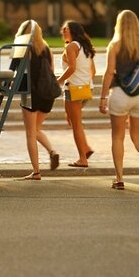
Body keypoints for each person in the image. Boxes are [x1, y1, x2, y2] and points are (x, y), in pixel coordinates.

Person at [98, 10, 139, 190]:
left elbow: (109, 72)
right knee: (138, 136)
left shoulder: (115, 45)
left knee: (118, 136)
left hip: (120, 94)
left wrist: (102, 97)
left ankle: (119, 179)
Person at [15, 20, 60, 180]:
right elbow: (52, 71)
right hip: (47, 95)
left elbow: (15, 69)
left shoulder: (23, 49)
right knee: (36, 129)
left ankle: (36, 171)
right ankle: (52, 151)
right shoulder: (47, 49)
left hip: (31, 94)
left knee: (30, 133)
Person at [56, 20, 96, 167]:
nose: (62, 32)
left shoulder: (72, 46)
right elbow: (94, 71)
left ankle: (82, 159)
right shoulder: (85, 47)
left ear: (71, 30)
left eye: (64, 29)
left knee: (76, 124)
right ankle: (85, 148)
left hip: (74, 89)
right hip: (86, 88)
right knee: (72, 120)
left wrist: (58, 82)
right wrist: (85, 82)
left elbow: (71, 68)